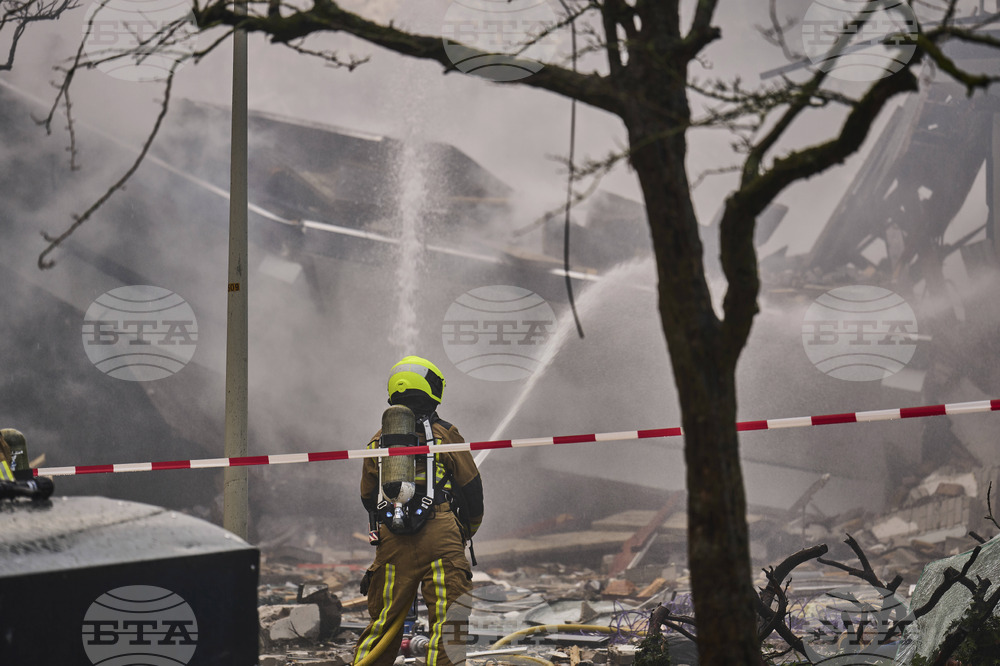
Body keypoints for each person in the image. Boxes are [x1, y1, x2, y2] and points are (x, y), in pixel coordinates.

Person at [353, 356, 484, 666]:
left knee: (384, 622)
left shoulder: (376, 441)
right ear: (431, 390)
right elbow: (471, 490)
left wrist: (391, 526)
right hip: (440, 534)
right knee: (449, 621)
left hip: (393, 540)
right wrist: (464, 532)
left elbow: (368, 496)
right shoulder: (445, 434)